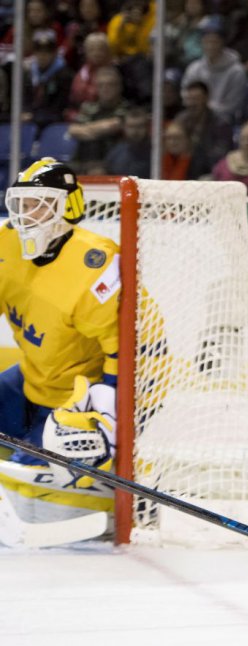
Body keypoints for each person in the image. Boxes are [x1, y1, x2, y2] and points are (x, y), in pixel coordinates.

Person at [0, 158, 120, 546]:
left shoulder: (96, 263)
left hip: (82, 398)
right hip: (33, 381)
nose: (24, 215)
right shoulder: (6, 243)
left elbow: (131, 351)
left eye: (37, 205)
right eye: (20, 204)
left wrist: (110, 412)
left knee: (33, 497)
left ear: (68, 207)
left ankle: (110, 494)